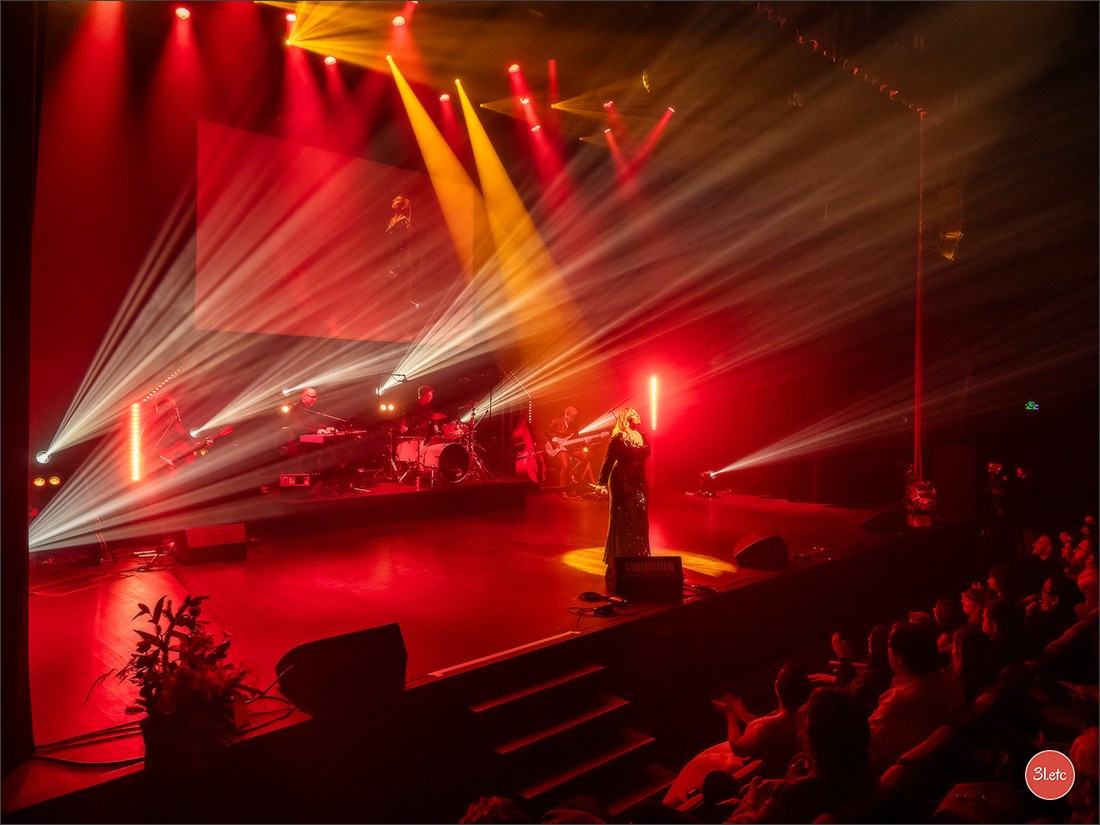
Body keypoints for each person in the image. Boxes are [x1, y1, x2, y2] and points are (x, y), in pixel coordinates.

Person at [592, 407, 650, 593]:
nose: (638, 414)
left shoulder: (643, 436)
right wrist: (601, 483)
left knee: (639, 518)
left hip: (639, 481)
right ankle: (621, 558)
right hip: (621, 481)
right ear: (626, 418)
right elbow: (608, 460)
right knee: (625, 517)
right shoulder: (618, 438)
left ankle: (637, 556)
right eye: (634, 413)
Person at [545, 406, 592, 493]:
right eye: (572, 416)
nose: (574, 418)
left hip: (569, 448)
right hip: (557, 448)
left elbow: (575, 441)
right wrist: (553, 439)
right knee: (565, 465)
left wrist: (585, 442)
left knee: (586, 456)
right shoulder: (557, 421)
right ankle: (563, 490)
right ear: (566, 415)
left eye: (575, 416)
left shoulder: (574, 426)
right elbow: (547, 432)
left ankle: (573, 473)